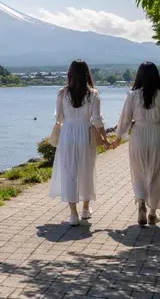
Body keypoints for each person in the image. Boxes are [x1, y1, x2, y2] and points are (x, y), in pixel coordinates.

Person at [112, 62, 160, 227]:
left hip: (138, 135)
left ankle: (141, 201)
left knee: (139, 171)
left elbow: (125, 119)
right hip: (157, 134)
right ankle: (152, 213)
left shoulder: (132, 95)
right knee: (157, 174)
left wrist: (118, 137)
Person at [48, 60, 110, 226]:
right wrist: (105, 139)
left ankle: (73, 214)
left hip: (67, 134)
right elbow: (97, 120)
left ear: (70, 74)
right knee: (86, 170)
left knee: (70, 172)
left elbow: (59, 118)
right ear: (87, 74)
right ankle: (85, 208)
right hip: (85, 134)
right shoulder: (93, 94)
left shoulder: (62, 93)